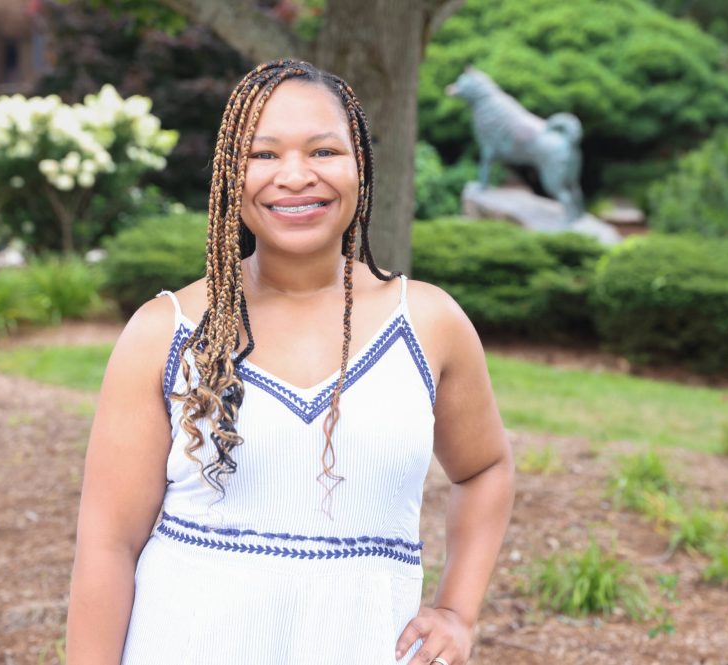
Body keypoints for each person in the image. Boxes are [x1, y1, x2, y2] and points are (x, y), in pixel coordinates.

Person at [65, 59, 513, 665]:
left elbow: (484, 468)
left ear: (361, 164)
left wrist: (458, 612)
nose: (295, 177)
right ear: (230, 173)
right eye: (263, 154)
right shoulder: (165, 332)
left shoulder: (428, 324)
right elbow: (108, 546)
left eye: (324, 151)